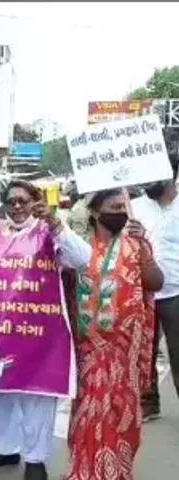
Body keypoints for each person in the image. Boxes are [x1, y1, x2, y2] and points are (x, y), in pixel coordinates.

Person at [0, 180, 91, 480]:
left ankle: (36, 459)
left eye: (23, 200)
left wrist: (55, 222)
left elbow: (81, 258)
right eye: (12, 200)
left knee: (37, 395)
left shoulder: (49, 231)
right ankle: (6, 448)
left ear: (35, 202)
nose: (17, 206)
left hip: (40, 334)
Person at [65, 188, 162, 480]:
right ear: (95, 212)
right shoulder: (79, 249)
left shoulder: (136, 245)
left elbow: (155, 283)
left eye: (123, 206)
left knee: (123, 416)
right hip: (89, 352)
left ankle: (118, 471)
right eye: (113, 206)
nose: (120, 211)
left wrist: (144, 245)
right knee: (88, 415)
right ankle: (86, 472)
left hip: (124, 353)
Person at [132, 156, 179, 422]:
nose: (148, 182)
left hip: (176, 293)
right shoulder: (134, 208)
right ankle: (149, 403)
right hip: (142, 292)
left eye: (155, 176)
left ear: (173, 175)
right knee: (143, 352)